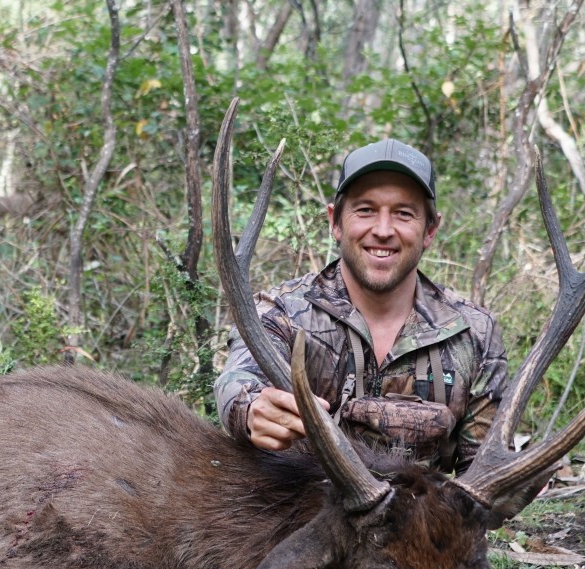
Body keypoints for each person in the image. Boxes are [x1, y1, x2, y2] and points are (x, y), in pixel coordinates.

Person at [214, 138, 506, 474]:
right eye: (365, 210)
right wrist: (250, 409)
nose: (382, 230)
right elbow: (235, 380)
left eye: (403, 213)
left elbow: (483, 475)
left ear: (430, 230)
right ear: (335, 222)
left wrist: (511, 478)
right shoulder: (282, 312)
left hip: (423, 523)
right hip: (304, 520)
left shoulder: (475, 333)